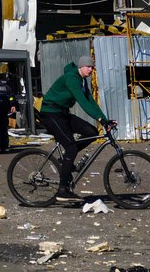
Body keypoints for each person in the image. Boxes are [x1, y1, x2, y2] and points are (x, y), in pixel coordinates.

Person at [41, 55, 116, 203]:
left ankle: (66, 160)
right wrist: (100, 119)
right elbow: (82, 102)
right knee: (71, 148)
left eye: (92, 67)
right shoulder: (71, 78)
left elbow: (90, 100)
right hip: (50, 114)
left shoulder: (82, 80)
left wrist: (104, 119)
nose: (91, 69)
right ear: (81, 67)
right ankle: (62, 190)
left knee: (92, 132)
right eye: (88, 67)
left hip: (63, 113)